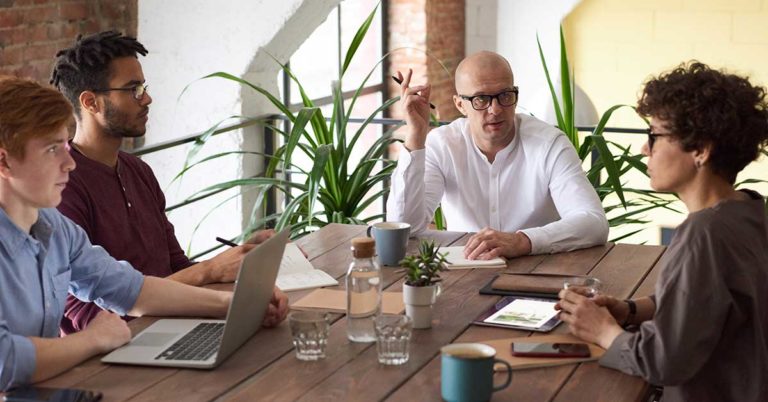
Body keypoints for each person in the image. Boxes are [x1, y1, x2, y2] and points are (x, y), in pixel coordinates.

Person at [0, 76, 288, 391]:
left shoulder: (55, 228)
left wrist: (235, 304)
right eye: (52, 150)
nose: (69, 163)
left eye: (66, 146)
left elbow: (131, 290)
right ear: (5, 161)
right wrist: (93, 340)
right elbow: (6, 362)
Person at [556, 62, 768, 402]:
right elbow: (707, 304)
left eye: (654, 136)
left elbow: (664, 361)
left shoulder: (704, 234)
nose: (644, 149)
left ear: (700, 149)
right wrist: (630, 310)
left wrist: (604, 331)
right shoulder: (748, 210)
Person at [49, 31, 278, 334]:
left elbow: (177, 267)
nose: (147, 98)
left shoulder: (138, 170)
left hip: (174, 325)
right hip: (115, 351)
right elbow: (86, 317)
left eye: (143, 87)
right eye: (133, 90)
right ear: (91, 102)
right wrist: (210, 272)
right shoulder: (62, 187)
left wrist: (236, 265)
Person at [387, 51, 608, 259]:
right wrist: (416, 136)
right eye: (481, 99)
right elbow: (403, 228)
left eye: (504, 95)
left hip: (536, 270)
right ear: (460, 105)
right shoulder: (443, 144)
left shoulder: (549, 144)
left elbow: (593, 222)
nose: (495, 109)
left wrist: (522, 241)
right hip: (465, 271)